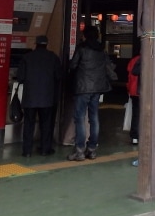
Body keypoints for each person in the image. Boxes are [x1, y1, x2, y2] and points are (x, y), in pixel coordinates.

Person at [67, 26, 112, 161]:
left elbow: (73, 65)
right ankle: (91, 150)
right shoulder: (101, 49)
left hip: (83, 88)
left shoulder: (82, 48)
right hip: (97, 88)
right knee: (94, 118)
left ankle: (79, 150)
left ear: (85, 35)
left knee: (80, 118)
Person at [17, 34, 62, 157]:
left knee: (29, 124)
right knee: (46, 124)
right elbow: (59, 76)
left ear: (35, 44)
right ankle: (45, 149)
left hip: (30, 97)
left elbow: (20, 78)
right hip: (47, 97)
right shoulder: (53, 58)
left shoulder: (27, 58)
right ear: (46, 44)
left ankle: (27, 151)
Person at [126, 48, 141, 145]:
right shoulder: (152, 60)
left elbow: (129, 75)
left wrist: (128, 89)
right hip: (148, 91)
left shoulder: (134, 60)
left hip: (134, 91)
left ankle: (135, 137)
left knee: (136, 114)